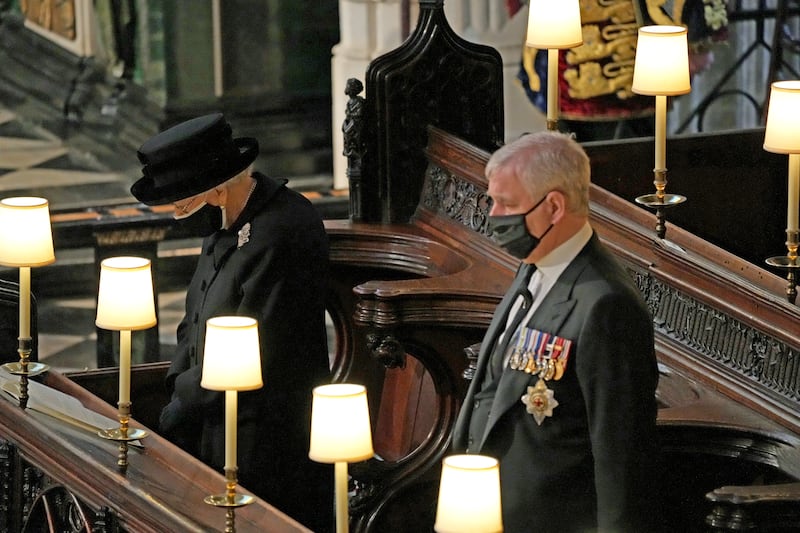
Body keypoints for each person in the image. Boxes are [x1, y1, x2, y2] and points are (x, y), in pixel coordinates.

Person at [130, 113, 334, 532]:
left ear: (218, 189)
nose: (178, 215)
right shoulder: (228, 218)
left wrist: (181, 402)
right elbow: (194, 316)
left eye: (183, 204)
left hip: (263, 438)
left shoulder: (284, 230)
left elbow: (261, 347)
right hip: (209, 413)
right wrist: (176, 387)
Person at [451, 131, 660, 532]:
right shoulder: (534, 265)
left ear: (554, 207)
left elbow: (620, 456)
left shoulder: (605, 304)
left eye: (507, 204)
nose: (493, 216)